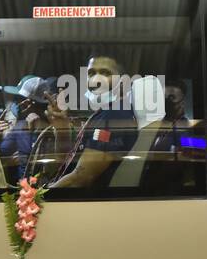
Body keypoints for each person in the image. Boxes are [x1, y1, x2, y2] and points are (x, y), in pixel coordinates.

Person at [45, 54, 138, 190]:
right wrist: (61, 128)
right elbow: (65, 163)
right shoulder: (104, 113)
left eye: (105, 73)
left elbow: (81, 178)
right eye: (91, 73)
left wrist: (40, 198)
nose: (96, 79)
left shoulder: (114, 115)